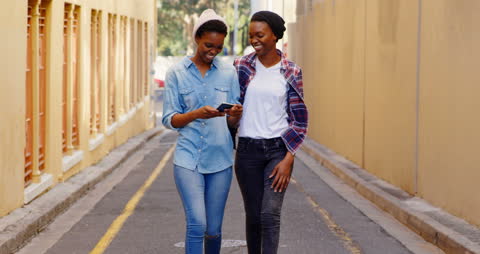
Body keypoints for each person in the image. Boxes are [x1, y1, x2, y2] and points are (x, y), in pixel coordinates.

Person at [162, 9, 243, 254]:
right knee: (197, 223)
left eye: (218, 47)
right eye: (209, 45)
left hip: (220, 160)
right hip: (188, 160)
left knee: (214, 229)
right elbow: (169, 120)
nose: (213, 51)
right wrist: (196, 114)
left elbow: (231, 123)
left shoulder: (229, 72)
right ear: (197, 38)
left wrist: (235, 117)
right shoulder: (176, 73)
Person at [233, 11, 308, 254]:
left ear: (274, 35)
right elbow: (233, 109)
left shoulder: (291, 71)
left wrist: (289, 158)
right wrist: (231, 116)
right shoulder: (241, 66)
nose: (254, 39)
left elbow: (298, 120)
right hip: (247, 151)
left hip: (278, 150)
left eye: (260, 34)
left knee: (269, 214)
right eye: (251, 35)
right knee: (254, 216)